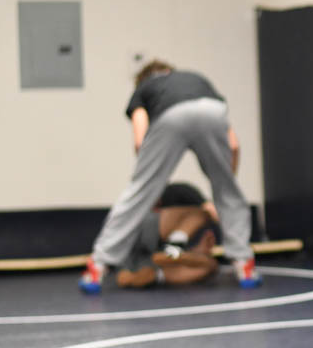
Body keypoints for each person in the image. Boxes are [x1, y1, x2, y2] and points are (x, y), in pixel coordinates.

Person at [79, 60, 260, 293]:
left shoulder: (145, 88)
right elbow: (233, 146)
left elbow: (139, 139)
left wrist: (147, 176)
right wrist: (225, 182)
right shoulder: (197, 79)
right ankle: (244, 265)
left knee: (138, 192)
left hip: (170, 115)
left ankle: (98, 267)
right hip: (212, 110)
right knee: (228, 190)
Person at [115, 182, 221, 289]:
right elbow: (211, 211)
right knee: (203, 214)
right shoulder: (176, 194)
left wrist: (198, 251)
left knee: (211, 266)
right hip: (136, 241)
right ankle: (171, 253)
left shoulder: (180, 198)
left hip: (148, 261)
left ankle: (155, 274)